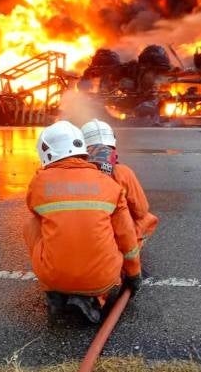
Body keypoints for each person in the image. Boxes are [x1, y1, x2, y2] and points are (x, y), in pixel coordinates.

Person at [24, 120, 142, 323]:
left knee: (33, 224)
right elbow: (127, 236)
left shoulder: (38, 183)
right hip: (103, 279)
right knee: (112, 230)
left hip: (52, 277)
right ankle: (94, 300)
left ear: (46, 152)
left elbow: (36, 212)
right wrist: (133, 274)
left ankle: (55, 291)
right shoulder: (108, 183)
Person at [81, 119, 160, 246]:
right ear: (112, 142)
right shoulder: (123, 172)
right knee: (147, 219)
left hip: (76, 237)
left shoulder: (71, 173)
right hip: (112, 242)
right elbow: (141, 210)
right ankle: (129, 250)